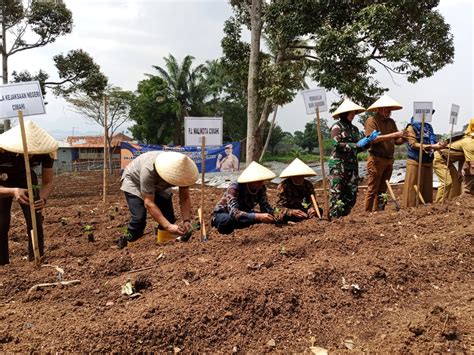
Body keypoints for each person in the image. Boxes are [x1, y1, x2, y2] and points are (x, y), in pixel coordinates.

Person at [0, 121, 57, 265]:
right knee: (1, 222)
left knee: (35, 222)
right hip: (2, 181)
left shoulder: (46, 152)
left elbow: (47, 182)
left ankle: (36, 259)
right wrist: (13, 191)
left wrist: (43, 199)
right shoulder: (2, 150)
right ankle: (2, 263)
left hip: (26, 180)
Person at [118, 151, 199, 248]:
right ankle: (126, 241)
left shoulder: (184, 171)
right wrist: (168, 226)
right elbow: (149, 203)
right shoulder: (149, 170)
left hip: (159, 185)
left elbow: (185, 198)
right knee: (138, 219)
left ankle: (164, 246)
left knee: (168, 217)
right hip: (134, 181)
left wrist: (187, 220)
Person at [328, 99, 379, 217]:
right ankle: (335, 218)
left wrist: (368, 142)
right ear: (343, 113)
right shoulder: (336, 127)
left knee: (351, 193)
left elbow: (359, 148)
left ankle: (344, 216)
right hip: (338, 166)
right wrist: (355, 145)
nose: (352, 115)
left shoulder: (355, 129)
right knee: (337, 193)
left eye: (353, 113)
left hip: (352, 165)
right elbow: (336, 144)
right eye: (350, 113)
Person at [364, 94, 408, 212]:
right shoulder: (371, 121)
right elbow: (372, 139)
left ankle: (380, 212)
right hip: (376, 159)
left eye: (390, 109)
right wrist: (395, 135)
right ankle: (366, 213)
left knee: (383, 190)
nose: (388, 111)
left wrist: (404, 138)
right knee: (372, 189)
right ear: (379, 108)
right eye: (386, 108)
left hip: (389, 159)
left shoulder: (391, 122)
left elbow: (396, 141)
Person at [211, 161, 276, 234]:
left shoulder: (261, 188)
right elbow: (234, 213)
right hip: (225, 212)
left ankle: (242, 223)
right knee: (227, 222)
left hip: (245, 212)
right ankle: (215, 221)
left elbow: (265, 206)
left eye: (262, 181)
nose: (261, 183)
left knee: (263, 218)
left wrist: (274, 214)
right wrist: (257, 216)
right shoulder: (234, 188)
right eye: (258, 181)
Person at [401, 115, 446, 207]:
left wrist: (439, 144)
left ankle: (426, 209)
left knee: (426, 188)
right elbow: (413, 144)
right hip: (415, 160)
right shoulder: (411, 127)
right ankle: (410, 209)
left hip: (427, 161)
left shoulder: (428, 127)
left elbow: (432, 140)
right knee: (413, 188)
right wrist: (432, 147)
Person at [276, 158, 321, 222]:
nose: (297, 178)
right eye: (295, 176)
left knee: (319, 210)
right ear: (291, 176)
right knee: (281, 216)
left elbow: (313, 201)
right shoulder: (283, 186)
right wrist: (291, 212)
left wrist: (312, 209)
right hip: (289, 211)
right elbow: (278, 207)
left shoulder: (308, 185)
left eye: (300, 176)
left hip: (303, 211)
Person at [450, 118, 474, 195]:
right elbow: (471, 162)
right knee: (449, 183)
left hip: (465, 162)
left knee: (459, 181)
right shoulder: (469, 140)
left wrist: (460, 170)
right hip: (444, 159)